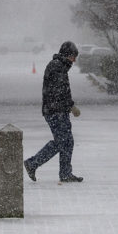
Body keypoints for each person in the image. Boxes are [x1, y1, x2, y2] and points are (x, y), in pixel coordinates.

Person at [24, 41, 83, 183]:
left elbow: (62, 91)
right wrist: (71, 106)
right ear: (67, 55)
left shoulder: (60, 66)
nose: (74, 60)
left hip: (57, 110)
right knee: (62, 141)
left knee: (67, 141)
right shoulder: (57, 67)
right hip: (55, 111)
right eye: (73, 56)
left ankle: (65, 173)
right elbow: (60, 92)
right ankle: (33, 163)